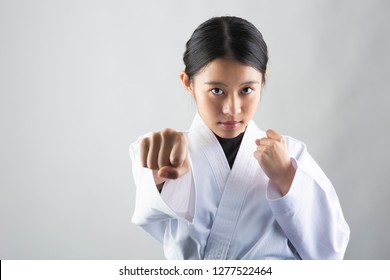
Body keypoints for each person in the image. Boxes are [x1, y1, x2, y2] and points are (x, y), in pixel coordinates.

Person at [129, 16, 350, 260]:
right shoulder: (164, 152)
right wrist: (160, 173)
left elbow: (330, 250)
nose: (232, 108)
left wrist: (287, 176)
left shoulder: (292, 156)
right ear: (188, 84)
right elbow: (148, 212)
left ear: (262, 80)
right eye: (216, 91)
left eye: (246, 90)